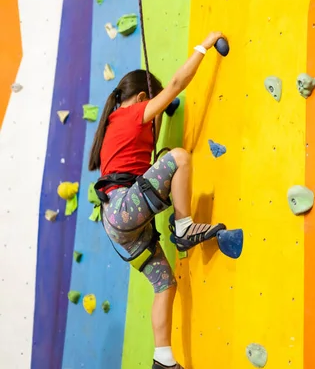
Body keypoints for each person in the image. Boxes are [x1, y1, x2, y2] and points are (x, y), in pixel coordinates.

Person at [88, 31, 226, 369]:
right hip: (125, 210)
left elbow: (145, 169)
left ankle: (162, 359)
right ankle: (184, 227)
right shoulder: (131, 114)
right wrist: (205, 45)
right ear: (139, 98)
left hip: (118, 225)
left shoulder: (111, 125)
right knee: (178, 157)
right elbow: (177, 83)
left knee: (165, 283)